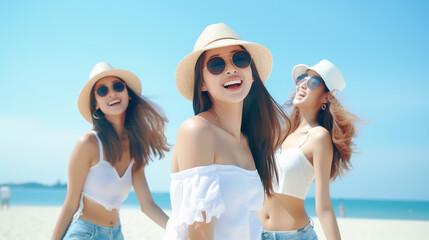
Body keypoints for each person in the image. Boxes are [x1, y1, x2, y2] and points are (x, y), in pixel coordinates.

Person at [163, 23, 289, 240]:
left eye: (239, 59)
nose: (231, 69)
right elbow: (199, 236)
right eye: (216, 64)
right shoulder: (197, 131)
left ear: (251, 74)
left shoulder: (249, 141)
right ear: (201, 83)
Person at [52, 62, 170, 239]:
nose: (112, 93)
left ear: (127, 94)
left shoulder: (136, 147)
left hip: (116, 234)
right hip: (86, 234)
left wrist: (179, 230)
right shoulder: (89, 143)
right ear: (96, 104)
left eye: (117, 86)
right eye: (102, 91)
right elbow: (70, 204)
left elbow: (148, 205)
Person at [259, 60, 359, 240]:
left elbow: (324, 206)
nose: (303, 84)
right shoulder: (279, 135)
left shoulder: (318, 137)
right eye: (301, 79)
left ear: (325, 97)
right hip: (256, 233)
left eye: (313, 82)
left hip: (293, 236)